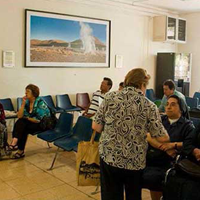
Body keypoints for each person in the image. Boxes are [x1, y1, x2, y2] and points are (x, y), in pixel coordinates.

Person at [93, 68, 169, 200]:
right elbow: (162, 137)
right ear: (142, 84)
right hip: (134, 161)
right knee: (133, 195)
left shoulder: (109, 97)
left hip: (109, 156)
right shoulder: (149, 106)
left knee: (110, 195)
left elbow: (96, 127)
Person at [143, 95, 195, 200]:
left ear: (181, 108)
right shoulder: (160, 120)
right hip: (153, 158)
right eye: (167, 104)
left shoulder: (187, 125)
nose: (168, 107)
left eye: (173, 104)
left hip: (172, 162)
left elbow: (190, 144)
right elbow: (147, 136)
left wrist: (172, 145)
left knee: (156, 177)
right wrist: (165, 147)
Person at [9, 84, 51, 159]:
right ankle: (16, 143)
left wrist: (26, 118)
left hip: (44, 124)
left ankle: (17, 146)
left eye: (28, 91)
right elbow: (19, 116)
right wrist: (22, 104)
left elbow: (38, 120)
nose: (25, 93)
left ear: (34, 93)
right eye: (25, 91)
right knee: (22, 125)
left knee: (23, 123)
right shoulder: (27, 102)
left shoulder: (40, 103)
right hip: (32, 123)